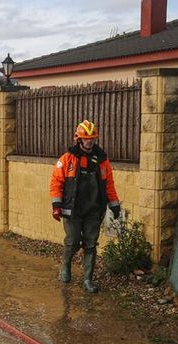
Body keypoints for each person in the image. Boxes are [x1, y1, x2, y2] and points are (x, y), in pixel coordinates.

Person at [49, 120, 121, 293]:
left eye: (92, 138)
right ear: (78, 139)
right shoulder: (67, 159)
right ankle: (65, 267)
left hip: (94, 210)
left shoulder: (102, 160)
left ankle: (88, 279)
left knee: (90, 245)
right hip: (72, 209)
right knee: (72, 241)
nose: (89, 141)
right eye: (85, 138)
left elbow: (109, 184)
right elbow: (56, 182)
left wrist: (114, 204)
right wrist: (56, 205)